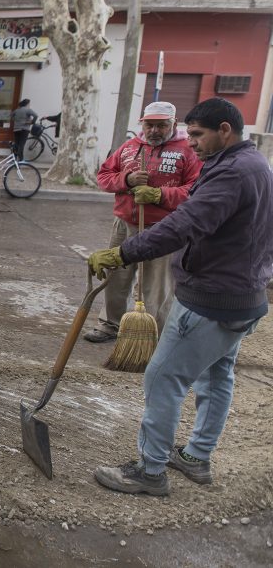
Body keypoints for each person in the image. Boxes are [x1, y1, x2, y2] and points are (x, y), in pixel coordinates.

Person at [88, 98, 273, 496]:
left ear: (225, 130)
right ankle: (196, 457)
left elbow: (185, 224)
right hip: (245, 296)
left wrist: (122, 253)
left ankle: (150, 471)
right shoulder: (254, 165)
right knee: (216, 375)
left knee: (162, 377)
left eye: (199, 135)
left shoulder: (233, 173)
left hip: (211, 299)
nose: (193, 144)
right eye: (190, 135)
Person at [82, 101, 202, 343]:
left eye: (161, 125)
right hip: (125, 223)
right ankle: (110, 324)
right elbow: (104, 177)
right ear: (142, 124)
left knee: (157, 286)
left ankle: (150, 333)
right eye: (150, 125)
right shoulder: (129, 147)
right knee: (117, 277)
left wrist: (160, 195)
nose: (154, 130)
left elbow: (196, 190)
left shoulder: (187, 151)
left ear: (173, 123)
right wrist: (127, 179)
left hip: (164, 228)